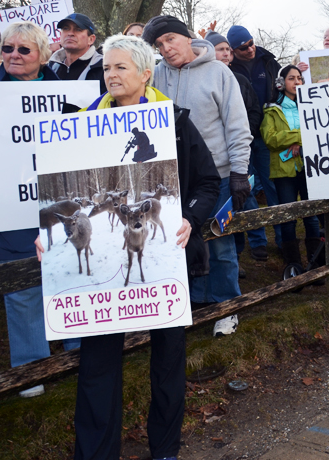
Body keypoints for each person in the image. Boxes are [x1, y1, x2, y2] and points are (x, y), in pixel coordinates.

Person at [73, 34, 220, 460]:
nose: (111, 75)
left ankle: (165, 449)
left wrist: (190, 218)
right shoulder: (82, 124)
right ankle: (96, 452)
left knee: (168, 361)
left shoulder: (173, 121)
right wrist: (53, 242)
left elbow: (208, 183)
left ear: (145, 73)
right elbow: (83, 199)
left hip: (166, 264)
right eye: (106, 68)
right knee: (98, 364)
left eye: (120, 67)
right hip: (106, 265)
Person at [0, 22, 81, 398]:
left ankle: (78, 350)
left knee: (70, 275)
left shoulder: (69, 93)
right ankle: (30, 368)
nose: (14, 56)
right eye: (7, 49)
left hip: (63, 205)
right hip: (9, 210)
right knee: (22, 289)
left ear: (43, 54)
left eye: (24, 50)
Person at [143, 15, 253, 337]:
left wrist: (239, 171)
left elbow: (237, 125)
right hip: (171, 180)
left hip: (216, 175)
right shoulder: (156, 77)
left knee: (220, 242)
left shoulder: (219, 72)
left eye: (170, 41)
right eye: (159, 45)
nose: (165, 49)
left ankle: (227, 306)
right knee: (180, 241)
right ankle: (194, 301)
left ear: (187, 38)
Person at [206, 30, 265, 272]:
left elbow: (253, 111)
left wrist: (242, 135)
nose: (226, 53)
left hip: (240, 153)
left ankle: (258, 242)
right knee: (221, 210)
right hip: (215, 159)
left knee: (244, 198)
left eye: (227, 49)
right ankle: (235, 255)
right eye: (221, 49)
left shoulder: (239, 79)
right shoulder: (204, 79)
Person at [225, 25, 284, 257]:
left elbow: (286, 87)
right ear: (233, 50)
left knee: (273, 187)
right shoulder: (230, 70)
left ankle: (282, 238)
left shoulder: (268, 61)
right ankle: (257, 239)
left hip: (268, 135)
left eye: (251, 43)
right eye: (243, 47)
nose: (250, 49)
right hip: (242, 137)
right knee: (245, 190)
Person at [259, 65, 324, 270]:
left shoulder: (311, 105)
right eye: (291, 78)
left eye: (299, 78)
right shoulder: (270, 108)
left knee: (311, 216)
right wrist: (299, 136)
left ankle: (315, 262)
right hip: (284, 171)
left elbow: (319, 131)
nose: (297, 82)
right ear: (281, 83)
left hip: (309, 167)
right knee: (288, 217)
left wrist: (300, 142)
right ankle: (292, 264)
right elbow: (271, 139)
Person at [47, 13, 106, 92]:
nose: (70, 33)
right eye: (66, 28)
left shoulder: (104, 66)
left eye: (78, 29)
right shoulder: (50, 67)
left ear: (91, 39)